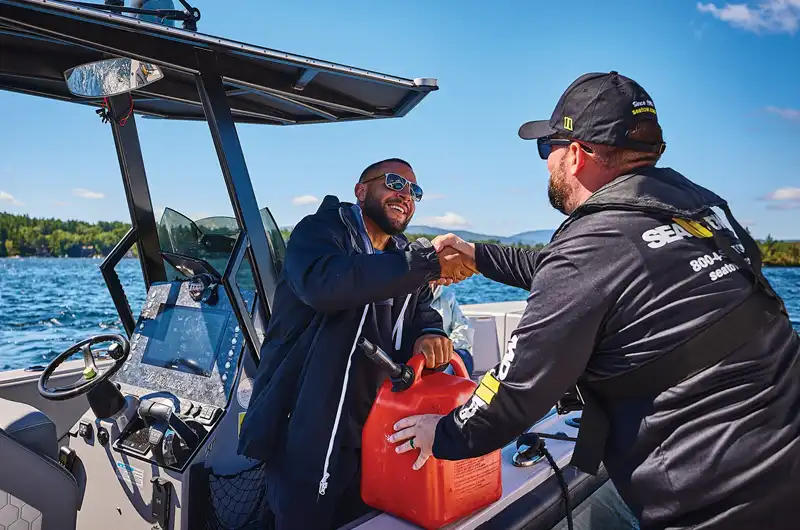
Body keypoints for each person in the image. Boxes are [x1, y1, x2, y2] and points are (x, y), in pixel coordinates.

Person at [389, 71, 800, 530]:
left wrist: (439, 434)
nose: (546, 162)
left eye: (548, 148)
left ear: (578, 155)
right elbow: (593, 275)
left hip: (718, 506)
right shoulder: (701, 208)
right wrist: (479, 255)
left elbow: (515, 394)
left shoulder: (593, 248)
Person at [237, 158, 477, 530]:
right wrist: (427, 263)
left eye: (414, 191)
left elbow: (422, 313)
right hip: (309, 431)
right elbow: (326, 284)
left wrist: (432, 335)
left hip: (376, 432)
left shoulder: (404, 255)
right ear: (361, 190)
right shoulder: (318, 232)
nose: (405, 195)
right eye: (395, 182)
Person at [430, 283, 475, 376]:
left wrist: (449, 347)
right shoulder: (410, 298)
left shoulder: (447, 295)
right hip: (425, 354)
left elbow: (463, 327)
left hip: (452, 351)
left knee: (463, 357)